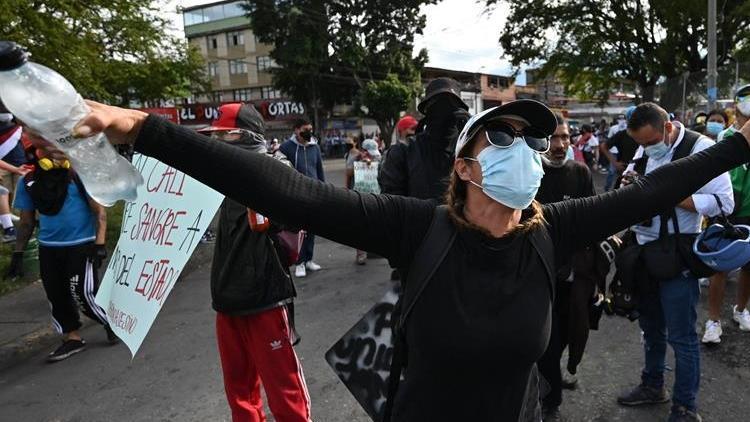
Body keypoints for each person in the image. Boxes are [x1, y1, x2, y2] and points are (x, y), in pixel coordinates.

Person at [33, 98, 750, 422]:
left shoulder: (555, 229)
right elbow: (289, 191)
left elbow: (661, 185)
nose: (525, 152)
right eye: (502, 138)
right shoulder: (415, 228)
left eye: (530, 139)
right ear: (466, 168)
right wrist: (143, 128)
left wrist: (741, 145)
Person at [616, 103, 733, 422]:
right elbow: (630, 181)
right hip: (643, 251)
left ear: (668, 127)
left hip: (677, 254)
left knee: (681, 334)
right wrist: (628, 187)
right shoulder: (643, 152)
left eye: (651, 142)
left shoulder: (701, 149)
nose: (646, 149)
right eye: (639, 143)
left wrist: (671, 196)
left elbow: (724, 202)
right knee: (650, 327)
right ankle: (653, 385)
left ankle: (686, 406)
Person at [198, 103, 311, 422]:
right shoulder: (220, 174)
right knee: (240, 393)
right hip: (226, 298)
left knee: (284, 390)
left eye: (224, 135)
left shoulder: (274, 168)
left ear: (243, 135)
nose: (217, 142)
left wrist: (274, 217)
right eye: (215, 136)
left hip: (265, 297)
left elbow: (303, 214)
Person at [5, 146, 116, 362]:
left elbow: (99, 212)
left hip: (81, 245)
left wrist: (100, 245)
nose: (53, 153)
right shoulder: (28, 182)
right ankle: (71, 338)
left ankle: (112, 322)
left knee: (82, 293)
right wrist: (18, 254)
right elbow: (26, 221)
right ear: (38, 154)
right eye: (45, 149)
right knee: (56, 295)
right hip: (49, 248)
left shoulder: (78, 176)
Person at [535, 113, 598, 421]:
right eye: (553, 138)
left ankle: (551, 378)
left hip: (573, 275)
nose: (560, 145)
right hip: (537, 275)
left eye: (564, 138)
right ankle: (551, 401)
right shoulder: (530, 173)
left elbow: (593, 218)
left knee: (569, 333)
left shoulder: (581, 173)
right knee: (546, 339)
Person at [702, 84, 750, 344]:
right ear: (736, 105)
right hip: (728, 211)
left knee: (749, 267)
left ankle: (741, 310)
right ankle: (713, 321)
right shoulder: (725, 137)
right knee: (719, 267)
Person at [378, 77, 470, 200]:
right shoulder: (403, 152)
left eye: (451, 108)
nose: (444, 114)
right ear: (427, 112)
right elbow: (392, 205)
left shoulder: (472, 152)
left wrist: (473, 137)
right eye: (438, 108)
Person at [279, 117, 325, 278]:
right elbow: (281, 171)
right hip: (295, 194)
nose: (308, 133)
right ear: (296, 130)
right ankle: (299, 262)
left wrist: (323, 191)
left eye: (310, 129)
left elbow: (319, 170)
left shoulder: (315, 147)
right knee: (297, 229)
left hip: (313, 194)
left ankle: (309, 259)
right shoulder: (286, 148)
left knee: (312, 228)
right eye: (305, 130)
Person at [346, 138, 382, 264]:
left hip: (375, 195)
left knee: (374, 223)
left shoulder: (377, 158)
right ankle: (361, 254)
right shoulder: (353, 157)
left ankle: (374, 250)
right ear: (363, 151)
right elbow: (348, 174)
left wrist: (371, 163)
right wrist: (360, 163)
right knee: (360, 225)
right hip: (358, 196)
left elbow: (381, 173)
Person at [0, 110, 30, 241]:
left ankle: (27, 225)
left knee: (21, 198)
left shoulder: (19, 123)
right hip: (4, 166)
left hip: (20, 163)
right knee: (2, 193)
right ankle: (9, 228)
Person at [600, 107, 640, 190]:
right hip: (625, 171)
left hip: (642, 171)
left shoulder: (645, 133)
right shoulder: (622, 134)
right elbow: (604, 146)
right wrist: (615, 163)